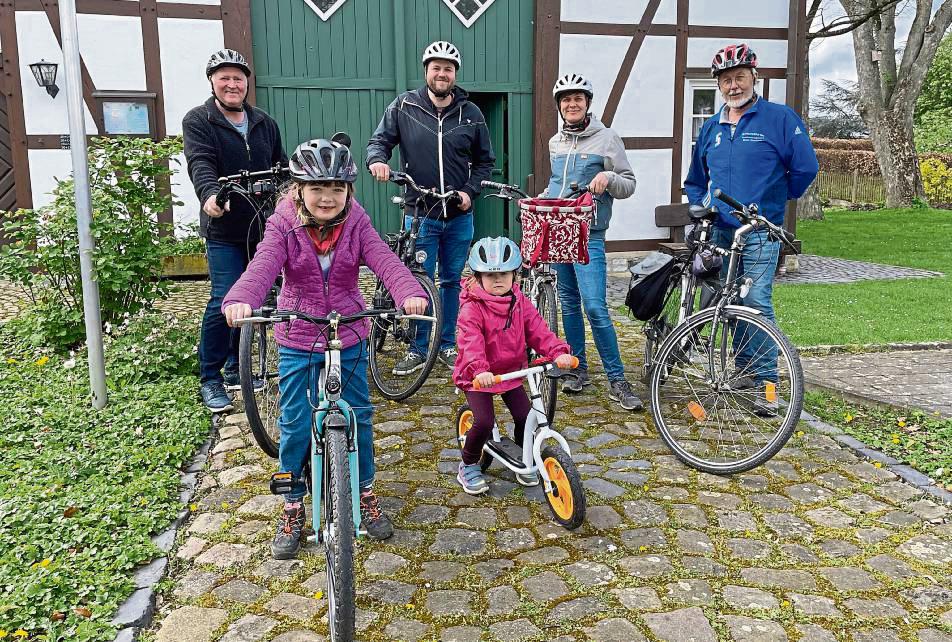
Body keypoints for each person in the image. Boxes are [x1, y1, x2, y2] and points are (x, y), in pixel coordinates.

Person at [222, 138, 429, 559]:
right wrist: (240, 298)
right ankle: (293, 503)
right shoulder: (283, 223)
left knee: (361, 416)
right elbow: (263, 264)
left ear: (349, 191)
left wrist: (408, 289)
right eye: (317, 188)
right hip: (298, 331)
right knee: (295, 420)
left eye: (336, 188)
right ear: (298, 190)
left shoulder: (356, 221)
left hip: (349, 330)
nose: (327, 197)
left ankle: (365, 492)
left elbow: (384, 259)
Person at [684, 43, 818, 406]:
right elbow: (696, 179)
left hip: (759, 229)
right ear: (718, 85)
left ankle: (766, 384)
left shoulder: (779, 118)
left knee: (756, 300)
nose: (733, 86)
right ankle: (743, 370)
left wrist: (774, 200)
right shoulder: (711, 127)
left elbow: (805, 168)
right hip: (722, 232)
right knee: (727, 302)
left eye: (739, 77)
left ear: (754, 78)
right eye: (726, 80)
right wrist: (699, 210)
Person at [366, 40, 496, 372]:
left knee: (452, 281)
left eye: (448, 69)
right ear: (426, 71)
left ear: (455, 74)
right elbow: (380, 141)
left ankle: (448, 343)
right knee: (418, 279)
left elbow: (485, 162)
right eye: (436, 68)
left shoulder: (472, 114)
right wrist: (378, 161)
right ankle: (419, 346)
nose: (442, 74)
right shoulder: (404, 106)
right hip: (420, 212)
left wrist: (470, 191)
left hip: (458, 215)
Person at [183, 48, 287, 413]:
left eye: (238, 78)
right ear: (212, 81)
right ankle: (210, 377)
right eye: (224, 77)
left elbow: (282, 168)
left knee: (257, 298)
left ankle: (234, 369)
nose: (232, 84)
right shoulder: (199, 120)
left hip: (262, 228)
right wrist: (210, 194)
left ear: (246, 83)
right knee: (225, 298)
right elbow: (201, 163)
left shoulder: (264, 122)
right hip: (225, 228)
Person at [543, 73, 642, 411]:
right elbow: (558, 185)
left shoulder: (607, 138)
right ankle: (578, 369)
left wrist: (609, 176)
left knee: (595, 306)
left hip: (590, 235)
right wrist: (540, 200)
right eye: (566, 100)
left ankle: (617, 380)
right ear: (560, 106)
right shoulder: (556, 142)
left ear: (587, 103)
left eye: (578, 99)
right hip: (559, 232)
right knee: (568, 304)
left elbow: (629, 184)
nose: (572, 104)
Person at [453, 237, 575, 494]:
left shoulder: (520, 304)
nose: (498, 280)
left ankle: (526, 458)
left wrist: (558, 352)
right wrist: (479, 370)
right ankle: (468, 463)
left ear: (515, 276)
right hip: (478, 376)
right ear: (477, 277)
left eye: (504, 274)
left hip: (511, 372)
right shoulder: (471, 308)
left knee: (525, 416)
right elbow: (470, 341)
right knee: (484, 422)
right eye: (490, 275)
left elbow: (539, 331)